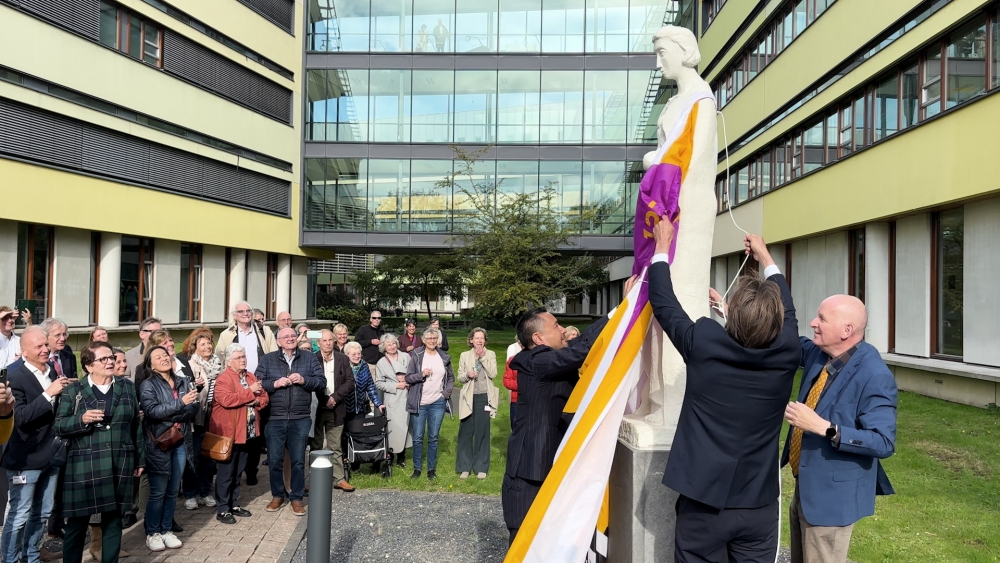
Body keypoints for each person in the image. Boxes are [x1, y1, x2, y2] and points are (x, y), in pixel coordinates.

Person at [649, 221, 801, 563]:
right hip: (758, 501)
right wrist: (765, 256)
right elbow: (788, 310)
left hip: (703, 502)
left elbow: (664, 305)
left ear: (729, 316)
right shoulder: (789, 351)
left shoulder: (705, 342)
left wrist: (661, 247)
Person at [781, 295, 898, 563]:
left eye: (822, 318)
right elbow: (786, 336)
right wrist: (735, 312)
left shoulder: (874, 375)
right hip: (805, 489)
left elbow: (883, 442)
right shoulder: (821, 354)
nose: (813, 323)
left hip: (831, 503)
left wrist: (825, 428)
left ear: (847, 330)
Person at [502, 300, 622, 545]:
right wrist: (624, 308)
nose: (564, 330)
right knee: (523, 545)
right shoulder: (537, 362)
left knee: (547, 545)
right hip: (528, 475)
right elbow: (583, 350)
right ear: (538, 338)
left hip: (545, 465)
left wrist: (616, 312)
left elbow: (582, 341)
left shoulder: (549, 357)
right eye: (556, 326)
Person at [54, 341, 144, 563]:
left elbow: (136, 426)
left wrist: (140, 458)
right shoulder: (73, 391)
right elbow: (58, 425)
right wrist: (81, 419)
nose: (110, 362)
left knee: (113, 521)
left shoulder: (127, 386)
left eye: (111, 358)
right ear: (88, 366)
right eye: (103, 359)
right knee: (77, 523)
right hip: (84, 464)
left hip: (120, 459)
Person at [1, 326, 71, 563]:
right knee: (19, 515)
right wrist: (48, 394)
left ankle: (31, 557)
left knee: (42, 514)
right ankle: (9, 559)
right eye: (38, 347)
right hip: (25, 458)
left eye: (45, 345)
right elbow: (17, 418)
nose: (45, 350)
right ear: (23, 351)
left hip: (50, 454)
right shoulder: (13, 375)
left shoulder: (51, 370)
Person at [257, 328, 325, 516]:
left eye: (292, 336)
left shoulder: (309, 358)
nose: (290, 339)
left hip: (300, 417)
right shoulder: (268, 359)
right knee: (274, 460)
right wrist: (275, 384)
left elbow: (321, 382)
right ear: (278, 341)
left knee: (297, 460)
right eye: (285, 337)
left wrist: (304, 380)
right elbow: (257, 383)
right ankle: (277, 495)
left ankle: (296, 498)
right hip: (275, 417)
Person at [139, 345, 199, 552]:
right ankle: (152, 532)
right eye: (158, 356)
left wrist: (175, 412)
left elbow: (194, 407)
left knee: (173, 490)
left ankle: (166, 530)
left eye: (165, 355)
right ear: (151, 364)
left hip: (181, 439)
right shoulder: (148, 385)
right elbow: (152, 411)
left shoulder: (183, 380)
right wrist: (180, 403)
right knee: (158, 491)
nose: (164, 358)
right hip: (160, 442)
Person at [210, 344, 269, 525]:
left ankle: (234, 504)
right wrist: (249, 393)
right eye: (238, 357)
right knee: (226, 472)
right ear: (229, 361)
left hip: (248, 433)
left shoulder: (250, 376)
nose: (243, 360)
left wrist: (255, 400)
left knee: (238, 472)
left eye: (244, 356)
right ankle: (222, 508)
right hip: (229, 433)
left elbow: (265, 397)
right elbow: (226, 400)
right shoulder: (224, 378)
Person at [179, 328, 222, 511]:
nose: (207, 347)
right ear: (194, 347)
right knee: (194, 457)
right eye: (202, 344)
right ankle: (190, 493)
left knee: (209, 459)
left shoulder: (219, 364)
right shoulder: (190, 365)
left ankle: (206, 491)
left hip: (214, 418)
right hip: (196, 419)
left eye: (208, 343)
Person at [404, 328, 454, 480]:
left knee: (433, 437)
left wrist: (445, 394)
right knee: (418, 437)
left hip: (437, 402)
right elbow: (408, 378)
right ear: (424, 340)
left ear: (437, 340)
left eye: (434, 338)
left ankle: (431, 470)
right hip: (420, 403)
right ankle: (417, 469)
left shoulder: (444, 357)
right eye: (429, 338)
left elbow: (451, 378)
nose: (432, 341)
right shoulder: (417, 355)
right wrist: (422, 374)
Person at [311, 330, 356, 492]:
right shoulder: (312, 358)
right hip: (317, 408)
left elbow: (350, 382)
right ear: (319, 343)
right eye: (324, 340)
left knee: (335, 446)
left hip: (337, 408)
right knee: (315, 446)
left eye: (331, 340)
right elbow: (309, 383)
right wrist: (324, 399)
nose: (328, 343)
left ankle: (339, 479)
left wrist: (335, 398)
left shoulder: (343, 359)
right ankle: (314, 479)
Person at [456, 328, 497, 480]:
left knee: (482, 432)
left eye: (482, 338)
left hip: (484, 398)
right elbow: (459, 377)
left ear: (485, 340)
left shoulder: (490, 354)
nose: (479, 340)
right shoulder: (464, 355)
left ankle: (481, 467)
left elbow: (493, 374)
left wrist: (483, 358)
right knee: (465, 432)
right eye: (476, 338)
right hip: (468, 397)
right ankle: (464, 467)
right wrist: (467, 374)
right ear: (471, 340)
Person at [374, 334, 412, 469]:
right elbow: (378, 383)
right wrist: (396, 386)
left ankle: (402, 456)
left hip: (407, 396)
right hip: (393, 399)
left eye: (393, 343)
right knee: (394, 428)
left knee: (407, 427)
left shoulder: (406, 357)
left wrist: (408, 381)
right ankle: (391, 454)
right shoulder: (381, 363)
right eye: (388, 345)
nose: (391, 347)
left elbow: (413, 373)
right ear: (383, 347)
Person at [215, 301, 278, 376]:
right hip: (236, 380)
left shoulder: (265, 331)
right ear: (234, 316)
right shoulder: (226, 334)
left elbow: (274, 356)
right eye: (241, 311)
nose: (245, 314)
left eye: (248, 311)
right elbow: (219, 358)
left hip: (261, 379)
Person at [342, 342, 385, 447]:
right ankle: (344, 459)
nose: (357, 356)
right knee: (343, 437)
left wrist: (378, 403)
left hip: (360, 409)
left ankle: (356, 461)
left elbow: (370, 386)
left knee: (358, 436)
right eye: (354, 354)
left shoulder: (364, 365)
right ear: (347, 355)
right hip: (344, 409)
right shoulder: (342, 366)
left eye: (359, 353)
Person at [504, 340, 522, 427]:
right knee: (515, 428)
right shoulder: (512, 360)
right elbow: (506, 381)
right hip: (516, 400)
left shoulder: (537, 359)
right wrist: (522, 385)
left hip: (533, 401)